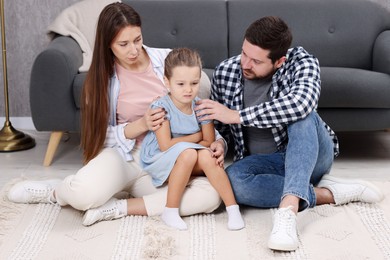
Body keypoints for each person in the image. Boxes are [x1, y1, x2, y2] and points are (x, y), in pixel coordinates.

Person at [7, 3, 224, 226]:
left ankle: (118, 208)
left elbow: (197, 110)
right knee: (83, 196)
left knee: (210, 196)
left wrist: (218, 142)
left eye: (137, 39)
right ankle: (55, 192)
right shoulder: (100, 80)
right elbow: (98, 137)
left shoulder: (167, 61)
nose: (134, 50)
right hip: (125, 157)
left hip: (166, 160)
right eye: (123, 44)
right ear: (108, 43)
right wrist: (140, 124)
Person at [195, 16, 384, 251]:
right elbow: (221, 127)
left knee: (302, 115)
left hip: (311, 154)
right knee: (232, 181)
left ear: (279, 61)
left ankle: (288, 209)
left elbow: (301, 104)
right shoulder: (226, 72)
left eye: (256, 61)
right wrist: (221, 144)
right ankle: (325, 193)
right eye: (244, 53)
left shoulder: (302, 62)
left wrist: (237, 115)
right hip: (267, 164)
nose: (245, 64)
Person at [141, 48, 245, 231]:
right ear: (167, 82)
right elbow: (166, 145)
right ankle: (170, 210)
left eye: (194, 83)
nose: (188, 90)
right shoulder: (161, 108)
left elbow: (209, 142)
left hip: (189, 156)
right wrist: (197, 136)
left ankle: (232, 207)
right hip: (161, 157)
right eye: (180, 84)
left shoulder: (200, 106)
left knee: (207, 157)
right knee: (189, 153)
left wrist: (203, 141)